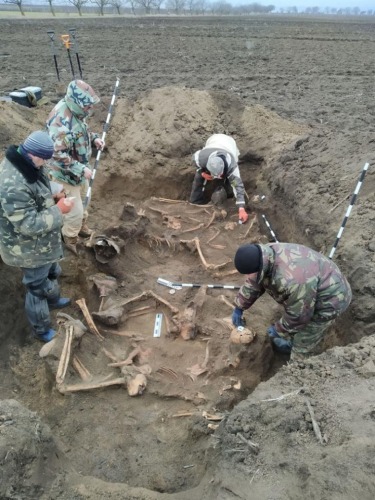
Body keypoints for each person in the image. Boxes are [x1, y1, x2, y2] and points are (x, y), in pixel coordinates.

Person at [0, 131, 74, 342]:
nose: (45, 164)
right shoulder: (12, 183)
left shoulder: (28, 163)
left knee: (52, 270)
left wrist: (53, 195)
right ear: (35, 155)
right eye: (44, 159)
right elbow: (28, 224)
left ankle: (54, 299)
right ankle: (41, 330)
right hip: (26, 248)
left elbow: (35, 191)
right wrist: (59, 210)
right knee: (37, 288)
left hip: (42, 244)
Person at [232, 242, 352, 361]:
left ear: (259, 268)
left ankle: (298, 368)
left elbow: (300, 315)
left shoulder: (292, 281)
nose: (248, 276)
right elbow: (254, 282)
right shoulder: (266, 253)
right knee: (296, 315)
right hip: (312, 286)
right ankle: (291, 340)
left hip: (333, 298)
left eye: (249, 273)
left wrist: (279, 329)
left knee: (304, 340)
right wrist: (239, 307)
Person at [46, 79, 104, 255]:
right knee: (74, 210)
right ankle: (70, 238)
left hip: (79, 170)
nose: (89, 110)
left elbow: (82, 130)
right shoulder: (60, 121)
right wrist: (80, 169)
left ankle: (81, 226)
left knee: (85, 200)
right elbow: (56, 154)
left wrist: (94, 138)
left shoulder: (76, 113)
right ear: (77, 103)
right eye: (87, 106)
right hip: (64, 174)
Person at [190, 133, 249, 223]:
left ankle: (228, 194)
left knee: (232, 182)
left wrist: (241, 208)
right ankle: (195, 202)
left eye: (218, 175)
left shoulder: (232, 167)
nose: (216, 177)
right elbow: (193, 159)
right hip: (213, 140)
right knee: (198, 177)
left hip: (229, 143)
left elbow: (238, 187)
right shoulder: (202, 158)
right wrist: (202, 173)